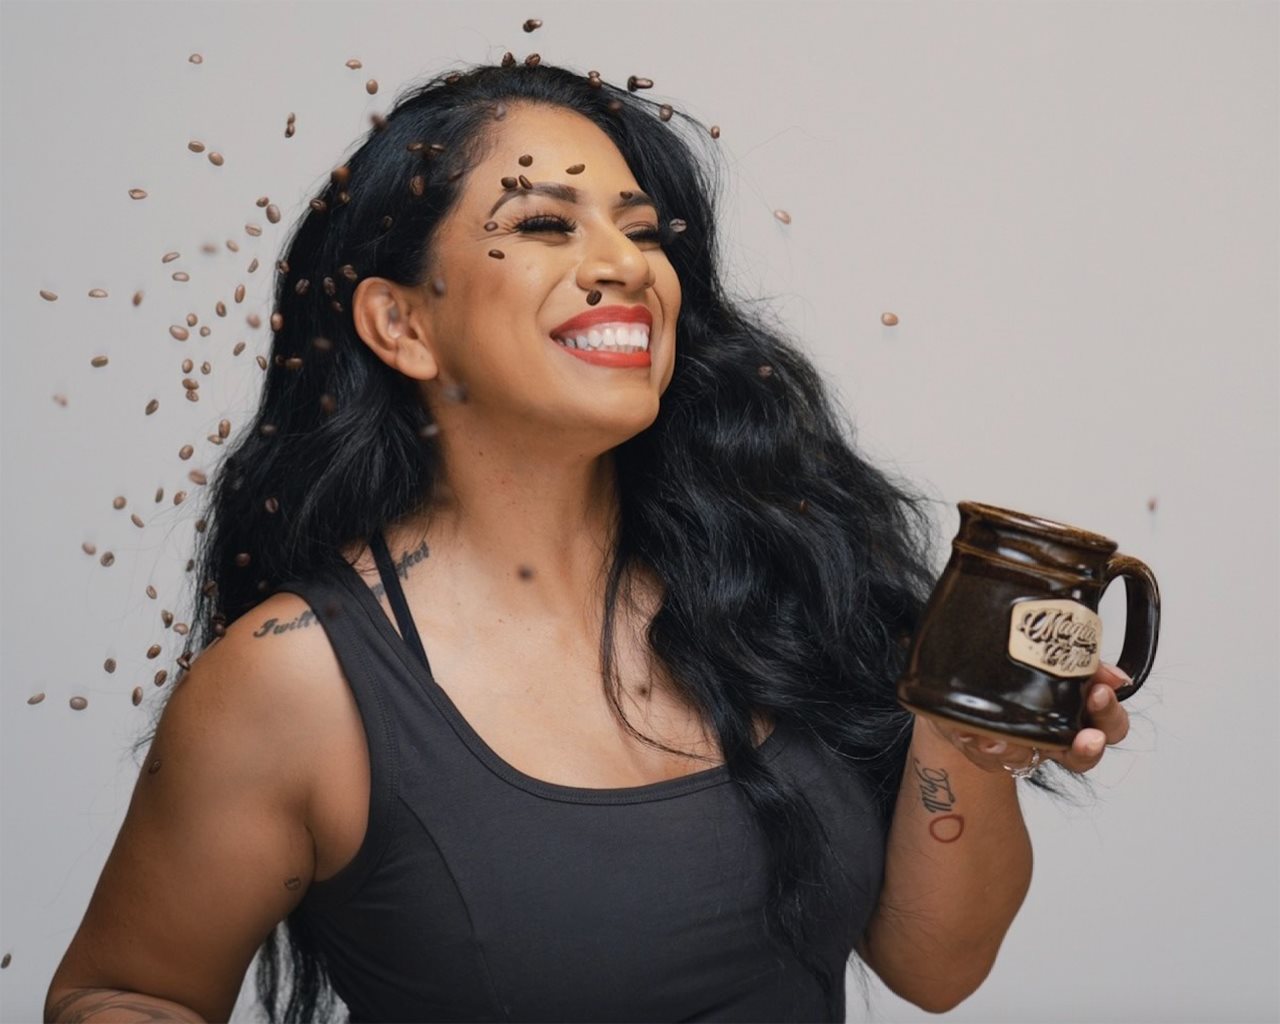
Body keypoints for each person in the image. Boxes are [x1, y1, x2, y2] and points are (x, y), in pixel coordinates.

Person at [43, 60, 1132, 1024]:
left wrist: (964, 733)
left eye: (641, 229)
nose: (624, 264)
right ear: (400, 324)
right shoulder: (295, 680)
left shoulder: (773, 581)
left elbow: (933, 966)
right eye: (544, 224)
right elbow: (122, 993)